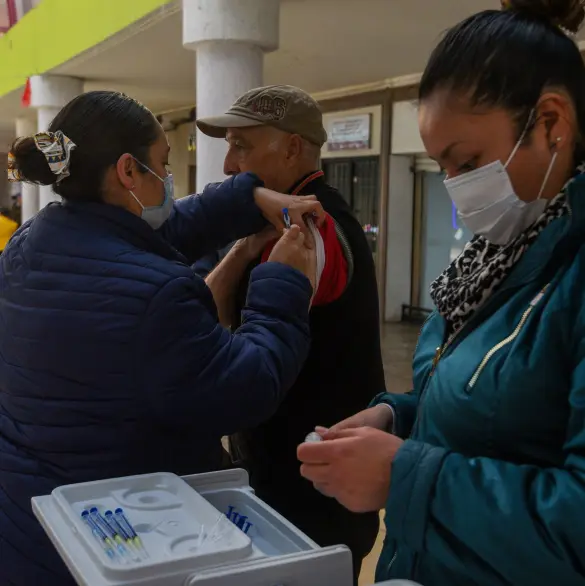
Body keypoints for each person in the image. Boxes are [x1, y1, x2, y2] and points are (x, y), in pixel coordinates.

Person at [298, 1, 585, 585]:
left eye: (468, 162)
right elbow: (491, 415)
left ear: (552, 123)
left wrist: (405, 477)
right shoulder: (491, 261)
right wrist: (395, 418)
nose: (455, 190)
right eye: (442, 168)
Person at [0, 90, 324, 586]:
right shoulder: (157, 297)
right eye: (163, 165)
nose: (170, 181)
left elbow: (162, 231)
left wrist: (247, 198)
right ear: (128, 172)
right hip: (112, 547)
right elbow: (249, 384)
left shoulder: (30, 243)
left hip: (30, 526)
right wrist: (282, 285)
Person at [196, 85, 384, 582]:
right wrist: (241, 248)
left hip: (316, 495)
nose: (228, 166)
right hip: (279, 479)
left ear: (292, 148)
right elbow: (205, 312)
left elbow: (206, 333)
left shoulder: (314, 228)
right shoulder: (268, 226)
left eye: (241, 145)